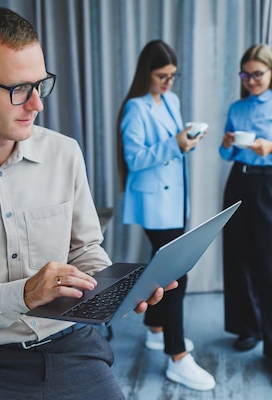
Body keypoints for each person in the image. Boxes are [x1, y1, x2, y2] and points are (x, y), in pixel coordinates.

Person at [0, 5, 174, 400]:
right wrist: (21, 295)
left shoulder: (64, 153)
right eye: (18, 89)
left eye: (40, 84)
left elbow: (86, 249)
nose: (37, 104)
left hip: (73, 346)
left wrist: (118, 290)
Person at [116, 40, 215, 391]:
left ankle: (156, 330)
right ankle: (177, 357)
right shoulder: (135, 108)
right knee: (177, 275)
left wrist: (186, 138)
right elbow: (135, 159)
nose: (168, 83)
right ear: (147, 74)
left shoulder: (170, 100)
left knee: (169, 272)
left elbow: (174, 141)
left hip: (176, 201)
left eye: (172, 76)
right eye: (162, 76)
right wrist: (176, 144)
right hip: (154, 205)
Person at [218, 44, 272, 390]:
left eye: (258, 74)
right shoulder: (237, 107)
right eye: (246, 74)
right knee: (239, 262)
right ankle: (248, 328)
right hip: (238, 182)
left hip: (270, 187)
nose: (252, 80)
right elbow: (226, 154)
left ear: (271, 73)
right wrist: (227, 143)